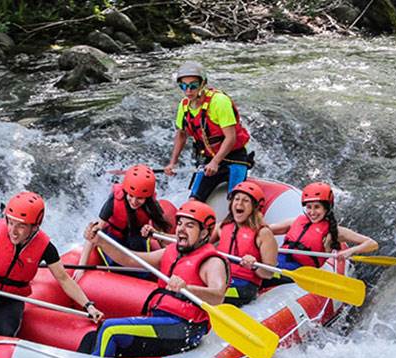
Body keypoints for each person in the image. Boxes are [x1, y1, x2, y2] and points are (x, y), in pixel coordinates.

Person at [0, 191, 104, 337]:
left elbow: (64, 279)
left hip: (12, 298)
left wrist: (88, 306)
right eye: (10, 222)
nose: (13, 230)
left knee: (6, 331)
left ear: (34, 227)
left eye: (21, 226)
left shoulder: (45, 247)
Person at [84, 200, 228, 358]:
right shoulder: (170, 251)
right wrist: (101, 242)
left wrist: (188, 289)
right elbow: (131, 260)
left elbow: (218, 296)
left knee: (110, 330)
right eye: (180, 223)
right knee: (93, 337)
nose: (181, 229)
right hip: (162, 320)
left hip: (185, 328)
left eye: (190, 226)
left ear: (204, 233)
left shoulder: (212, 262)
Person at [164, 60, 253, 202]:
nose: (188, 90)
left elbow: (231, 137)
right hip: (209, 159)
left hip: (234, 158)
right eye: (183, 86)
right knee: (193, 200)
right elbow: (181, 134)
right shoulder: (184, 105)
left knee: (237, 201)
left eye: (193, 86)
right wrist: (172, 162)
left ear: (202, 84)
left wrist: (216, 162)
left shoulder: (219, 102)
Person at [74, 164, 172, 281]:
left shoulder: (151, 206)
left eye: (140, 198)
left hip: (136, 237)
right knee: (115, 264)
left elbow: (160, 235)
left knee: (141, 264)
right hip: (114, 237)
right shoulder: (113, 201)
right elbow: (94, 233)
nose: (134, 201)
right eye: (131, 195)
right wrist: (81, 267)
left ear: (147, 197)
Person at [269, 182, 378, 272]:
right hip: (280, 259)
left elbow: (372, 244)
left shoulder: (335, 231)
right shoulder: (295, 222)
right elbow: (266, 230)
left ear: (326, 208)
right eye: (309, 207)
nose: (312, 212)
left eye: (317, 207)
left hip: (301, 270)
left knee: (263, 272)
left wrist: (350, 251)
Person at [212, 181, 278, 306]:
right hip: (219, 279)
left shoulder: (263, 233)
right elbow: (197, 244)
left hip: (244, 286)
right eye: (236, 199)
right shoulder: (223, 227)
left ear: (254, 207)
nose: (239, 203)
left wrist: (254, 265)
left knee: (210, 296)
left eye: (245, 201)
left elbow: (269, 273)